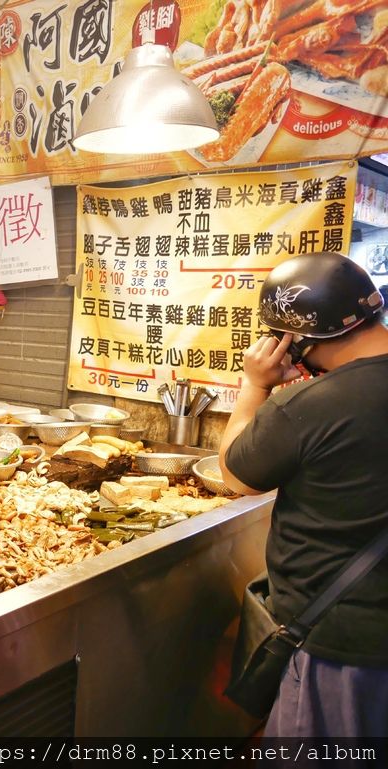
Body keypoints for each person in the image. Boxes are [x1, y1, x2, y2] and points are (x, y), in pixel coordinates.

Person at [219, 252, 388, 738]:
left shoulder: (309, 405)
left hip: (341, 645)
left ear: (293, 339)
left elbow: (236, 473)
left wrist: (254, 386)